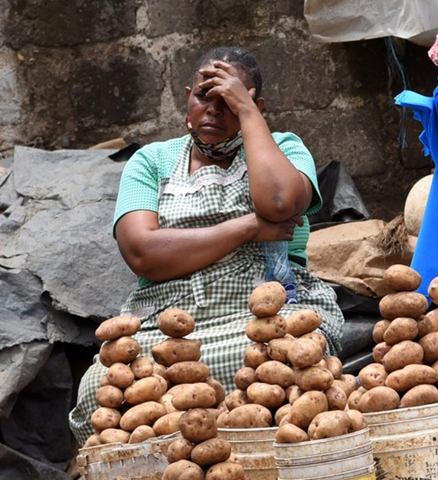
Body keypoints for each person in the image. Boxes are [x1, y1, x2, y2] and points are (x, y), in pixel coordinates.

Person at [68, 46, 344, 446]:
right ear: (187, 98)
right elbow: (142, 253)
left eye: (229, 101)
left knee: (281, 370)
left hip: (263, 319)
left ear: (257, 105)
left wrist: (248, 114)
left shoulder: (283, 147)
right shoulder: (151, 161)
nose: (214, 110)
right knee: (100, 388)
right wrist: (249, 227)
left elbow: (281, 203)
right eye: (204, 97)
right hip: (163, 325)